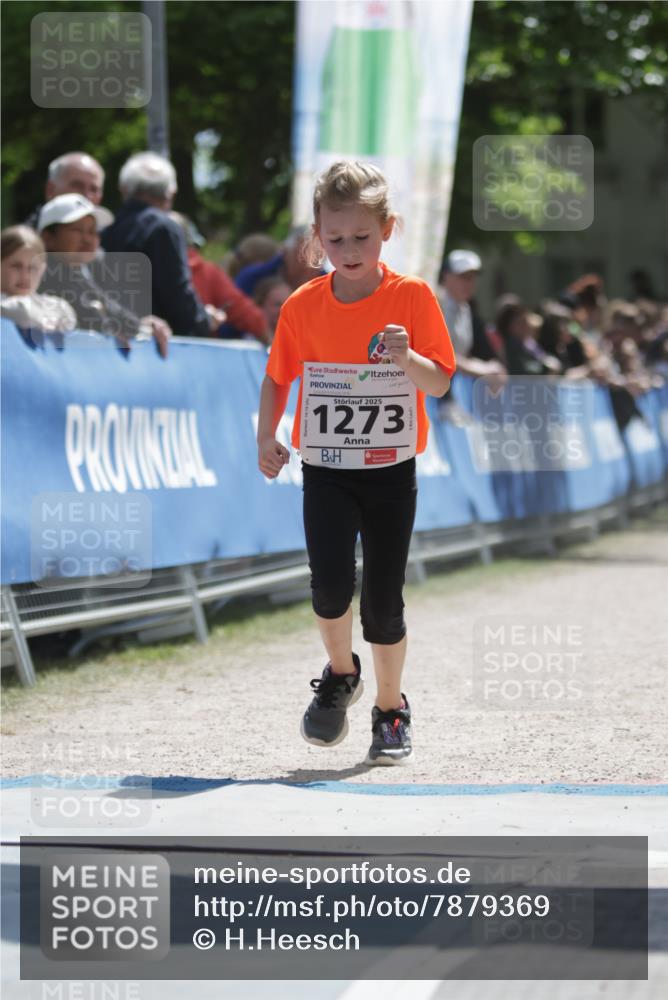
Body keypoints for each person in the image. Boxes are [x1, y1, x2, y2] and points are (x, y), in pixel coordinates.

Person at [256, 161, 455, 765]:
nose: (347, 250)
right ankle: (342, 673)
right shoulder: (302, 305)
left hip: (392, 471)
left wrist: (407, 358)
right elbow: (276, 377)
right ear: (317, 234)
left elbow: (441, 382)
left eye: (361, 238)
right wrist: (267, 434)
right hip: (327, 468)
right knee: (330, 586)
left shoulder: (412, 297)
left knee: (383, 601)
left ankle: (390, 709)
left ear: (387, 229)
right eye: (334, 238)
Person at [101, 153, 222, 337]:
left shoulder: (106, 231)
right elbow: (177, 293)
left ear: (124, 189)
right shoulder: (165, 228)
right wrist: (203, 319)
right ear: (170, 194)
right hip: (156, 346)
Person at [37, 194, 171, 357]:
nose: (87, 239)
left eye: (93, 232)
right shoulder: (37, 275)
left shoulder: (81, 275)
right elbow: (88, 310)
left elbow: (110, 307)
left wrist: (142, 325)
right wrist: (136, 327)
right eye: (77, 230)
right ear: (47, 238)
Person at [169, 212, 270, 345]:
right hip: (196, 355)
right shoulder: (207, 272)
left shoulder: (140, 267)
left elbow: (248, 315)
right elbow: (250, 316)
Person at [437, 250, 507, 390]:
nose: (470, 283)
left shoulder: (465, 308)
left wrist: (490, 369)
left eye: (473, 277)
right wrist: (482, 369)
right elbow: (437, 354)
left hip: (453, 388)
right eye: (463, 277)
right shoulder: (434, 303)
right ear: (446, 276)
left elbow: (463, 353)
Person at [1, 225, 76, 334]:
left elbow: (67, 314)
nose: (25, 276)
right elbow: (20, 312)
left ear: (42, 270)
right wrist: (44, 317)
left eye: (32, 268)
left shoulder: (42, 303)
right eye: (16, 266)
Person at [24, 151, 108, 231]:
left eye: (94, 189)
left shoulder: (104, 240)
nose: (86, 195)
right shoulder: (25, 242)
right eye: (77, 186)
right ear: (50, 190)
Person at [235, 226, 322, 297]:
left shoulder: (329, 282)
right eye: (302, 257)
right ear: (285, 254)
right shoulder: (253, 277)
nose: (309, 265)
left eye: (317, 258)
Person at [253, 275, 291, 341]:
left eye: (287, 304)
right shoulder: (247, 345)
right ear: (260, 306)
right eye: (277, 305)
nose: (283, 309)